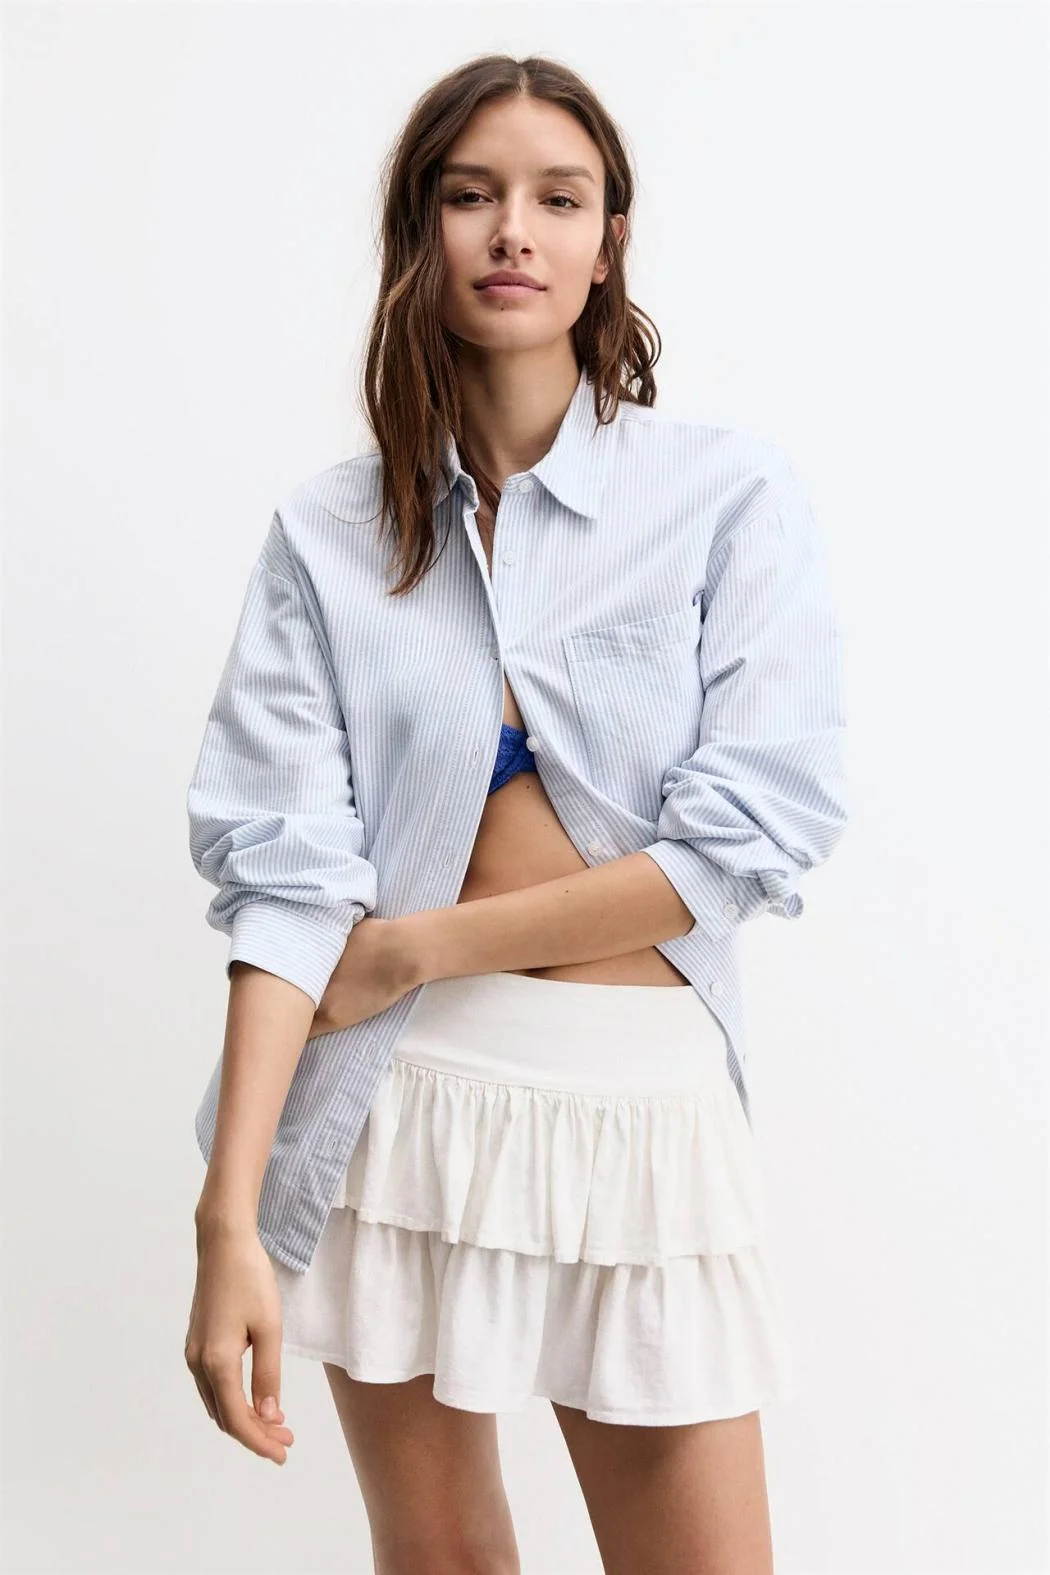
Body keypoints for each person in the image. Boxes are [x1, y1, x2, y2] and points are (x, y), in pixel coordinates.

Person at [183, 52, 848, 1575]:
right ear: (418, 233)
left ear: (609, 240)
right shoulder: (327, 534)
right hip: (390, 1105)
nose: (512, 232)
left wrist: (418, 946)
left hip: (636, 1108)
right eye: (471, 195)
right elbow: (285, 880)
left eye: (558, 198)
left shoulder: (727, 498)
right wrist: (230, 1223)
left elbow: (749, 836)